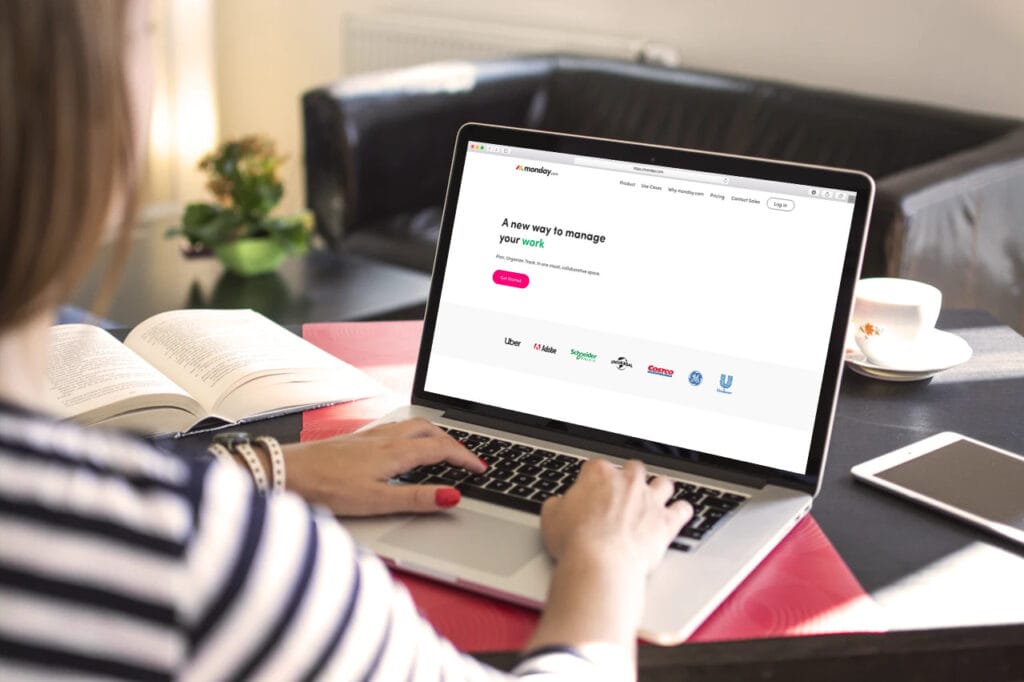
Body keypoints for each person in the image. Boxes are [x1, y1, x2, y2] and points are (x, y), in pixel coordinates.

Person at [0, 1, 692, 679]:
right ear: (77, 110)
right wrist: (605, 563)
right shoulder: (198, 557)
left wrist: (267, 467)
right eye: (144, 31)